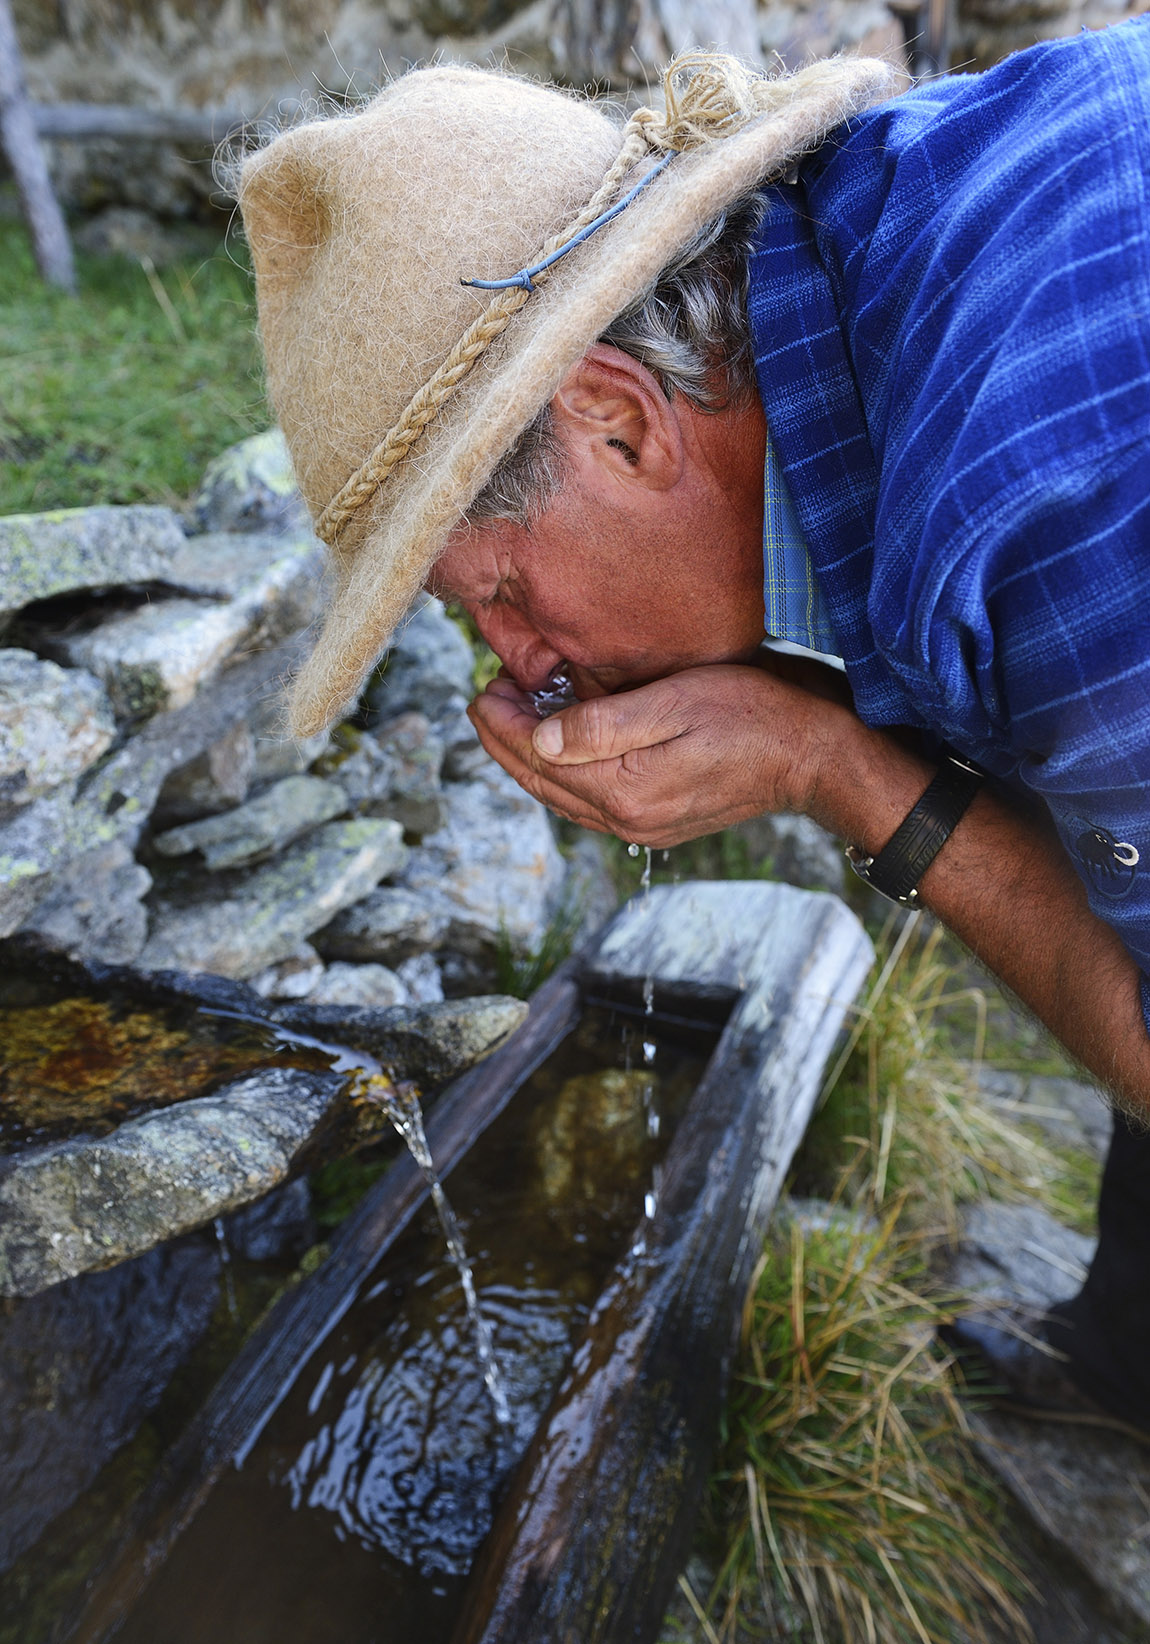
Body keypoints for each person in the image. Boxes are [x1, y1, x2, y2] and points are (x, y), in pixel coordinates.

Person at [237, 23, 1150, 1426]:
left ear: (616, 423)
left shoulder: (1036, 503)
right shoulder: (895, 238)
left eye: (496, 598)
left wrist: (827, 765)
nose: (526, 670)